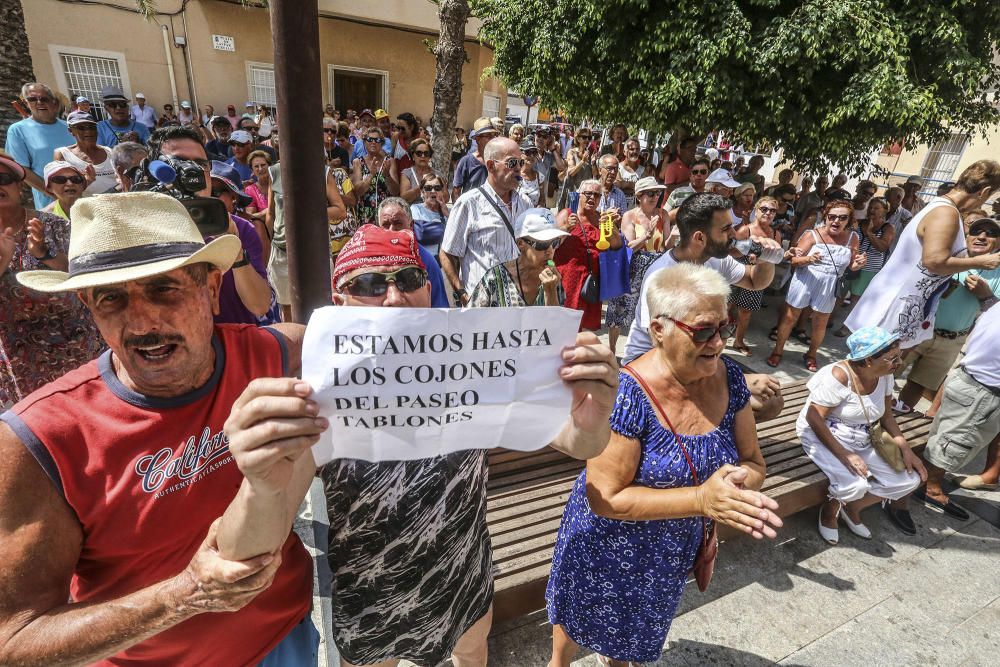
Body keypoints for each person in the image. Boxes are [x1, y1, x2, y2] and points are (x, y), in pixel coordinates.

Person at [207, 221, 618, 667]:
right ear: (340, 300)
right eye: (368, 284)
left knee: (472, 654)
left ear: (426, 288)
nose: (395, 298)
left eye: (407, 279)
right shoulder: (322, 391)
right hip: (370, 588)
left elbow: (579, 445)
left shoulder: (471, 365)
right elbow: (257, 540)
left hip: (462, 571)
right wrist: (259, 479)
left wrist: (593, 413)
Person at [0, 191, 321, 664]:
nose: (143, 322)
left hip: (283, 639)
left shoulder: (275, 355)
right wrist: (187, 593)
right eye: (112, 299)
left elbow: (394, 359)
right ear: (89, 307)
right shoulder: (42, 438)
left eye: (163, 289)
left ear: (211, 291)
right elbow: (15, 641)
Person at [546, 263, 782, 666]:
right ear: (659, 329)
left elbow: (753, 461)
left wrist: (738, 486)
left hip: (669, 552)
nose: (719, 342)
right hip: (607, 545)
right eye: (704, 331)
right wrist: (704, 499)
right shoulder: (629, 393)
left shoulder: (732, 380)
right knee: (575, 623)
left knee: (633, 638)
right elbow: (607, 498)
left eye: (723, 328)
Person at [623, 193, 785, 421]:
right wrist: (734, 380)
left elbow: (754, 281)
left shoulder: (715, 258)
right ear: (699, 238)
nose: (734, 234)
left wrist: (767, 258)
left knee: (770, 399)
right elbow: (666, 350)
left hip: (696, 353)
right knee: (747, 396)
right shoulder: (661, 276)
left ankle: (713, 430)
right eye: (726, 229)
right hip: (654, 362)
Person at [845, 161, 1000, 347]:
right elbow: (934, 261)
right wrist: (981, 262)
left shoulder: (942, 207)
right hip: (894, 311)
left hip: (900, 307)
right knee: (868, 369)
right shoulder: (946, 213)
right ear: (984, 192)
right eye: (990, 196)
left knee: (874, 371)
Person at [799, 327, 925, 542]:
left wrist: (905, 449)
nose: (899, 363)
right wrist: (845, 455)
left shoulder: (883, 375)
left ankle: (851, 507)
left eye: (899, 357)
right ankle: (830, 510)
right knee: (856, 484)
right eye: (891, 359)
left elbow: (886, 416)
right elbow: (814, 418)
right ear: (867, 360)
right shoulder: (839, 376)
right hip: (823, 434)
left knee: (909, 479)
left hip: (862, 435)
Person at [0, 153, 102, 407]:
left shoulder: (54, 225)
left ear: (20, 187)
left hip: (73, 349)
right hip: (14, 365)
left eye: (4, 179)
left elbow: (86, 277)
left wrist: (45, 254)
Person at [895, 216, 1000, 414]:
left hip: (952, 340)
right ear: (967, 236)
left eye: (991, 234)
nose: (982, 237)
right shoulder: (948, 256)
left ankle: (896, 416)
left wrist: (986, 296)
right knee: (887, 374)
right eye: (977, 231)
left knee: (919, 383)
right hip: (917, 329)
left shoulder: (998, 272)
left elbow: (996, 314)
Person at [920, 303, 1000, 517]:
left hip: (966, 377)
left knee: (944, 436)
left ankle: (924, 480)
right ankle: (930, 489)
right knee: (954, 442)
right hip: (983, 392)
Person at [769, 201, 865, 371]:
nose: (836, 221)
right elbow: (793, 260)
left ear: (848, 220)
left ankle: (811, 354)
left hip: (830, 284)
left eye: (842, 218)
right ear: (825, 216)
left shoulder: (853, 238)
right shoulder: (812, 235)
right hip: (806, 279)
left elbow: (851, 264)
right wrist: (808, 259)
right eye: (832, 217)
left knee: (820, 323)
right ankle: (777, 351)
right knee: (790, 317)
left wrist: (856, 265)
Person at [441, 137, 531, 304]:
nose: (519, 168)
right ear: (491, 166)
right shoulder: (468, 203)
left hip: (518, 302)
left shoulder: (525, 202)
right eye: (512, 163)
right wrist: (462, 294)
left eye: (521, 162)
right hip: (482, 304)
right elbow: (447, 253)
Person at [207, 160, 275, 324]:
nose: (208, 198)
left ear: (233, 197)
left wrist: (235, 250)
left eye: (215, 192)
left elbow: (260, 304)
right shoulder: (182, 227)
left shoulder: (247, 229)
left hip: (240, 328)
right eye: (203, 191)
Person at [553, 180, 624, 331]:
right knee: (567, 323)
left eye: (597, 195)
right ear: (579, 195)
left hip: (592, 280)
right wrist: (566, 228)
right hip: (569, 279)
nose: (592, 198)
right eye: (588, 194)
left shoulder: (601, 218)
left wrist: (611, 227)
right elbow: (551, 245)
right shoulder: (567, 214)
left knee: (586, 325)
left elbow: (617, 245)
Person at [609, 176, 668, 343]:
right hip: (633, 269)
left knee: (652, 313)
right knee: (620, 311)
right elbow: (629, 247)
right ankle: (613, 350)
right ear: (639, 196)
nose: (656, 197)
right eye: (651, 193)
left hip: (655, 270)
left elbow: (666, 245)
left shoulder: (663, 215)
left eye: (658, 193)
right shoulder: (629, 216)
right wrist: (647, 235)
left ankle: (646, 350)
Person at [469, 207, 565, 307]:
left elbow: (557, 321)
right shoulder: (494, 279)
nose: (550, 251)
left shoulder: (554, 280)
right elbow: (472, 319)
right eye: (542, 244)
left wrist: (550, 292)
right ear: (520, 244)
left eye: (555, 243)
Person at [731, 196, 787, 356]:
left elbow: (774, 257)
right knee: (726, 306)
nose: (768, 213)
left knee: (746, 310)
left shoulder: (776, 234)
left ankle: (739, 341)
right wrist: (748, 251)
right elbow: (731, 252)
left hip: (758, 274)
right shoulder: (745, 230)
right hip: (737, 269)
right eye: (764, 209)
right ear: (756, 211)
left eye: (772, 210)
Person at [5, 83, 74, 210]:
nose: (39, 102)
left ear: (54, 102)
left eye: (44, 99)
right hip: (50, 201)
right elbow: (21, 168)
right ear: (26, 103)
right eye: (32, 99)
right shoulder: (18, 130)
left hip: (81, 195)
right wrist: (53, 192)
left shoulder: (69, 127)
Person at [833, 198, 894, 336]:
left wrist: (869, 233)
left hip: (869, 269)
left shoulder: (888, 228)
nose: (872, 210)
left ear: (884, 211)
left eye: (876, 208)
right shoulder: (859, 223)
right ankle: (829, 320)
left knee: (856, 299)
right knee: (839, 294)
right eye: (871, 207)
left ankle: (847, 327)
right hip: (851, 265)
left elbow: (882, 247)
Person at [375, 197, 449, 307]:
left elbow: (439, 307)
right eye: (385, 224)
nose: (391, 230)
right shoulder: (369, 259)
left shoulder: (426, 260)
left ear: (411, 225)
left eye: (398, 223)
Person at [53, 110, 116, 196]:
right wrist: (87, 181)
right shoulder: (63, 154)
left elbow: (122, 179)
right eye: (81, 128)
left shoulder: (108, 151)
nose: (88, 131)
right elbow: (62, 190)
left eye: (92, 127)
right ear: (71, 131)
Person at [351, 126, 399, 226]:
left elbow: (395, 191)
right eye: (369, 139)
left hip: (386, 215)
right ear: (364, 142)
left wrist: (387, 176)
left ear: (381, 143)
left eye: (377, 140)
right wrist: (371, 175)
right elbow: (358, 191)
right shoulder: (358, 162)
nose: (373, 142)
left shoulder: (389, 161)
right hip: (366, 215)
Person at [451, 117, 498, 199]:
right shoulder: (466, 161)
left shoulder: (498, 161)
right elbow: (456, 191)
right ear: (477, 139)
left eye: (494, 136)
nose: (492, 139)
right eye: (488, 136)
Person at [411, 172, 449, 258]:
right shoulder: (415, 209)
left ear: (442, 191)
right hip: (422, 261)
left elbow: (457, 236)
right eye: (428, 188)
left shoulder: (449, 213)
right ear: (422, 192)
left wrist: (447, 214)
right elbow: (421, 234)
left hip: (443, 264)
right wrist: (444, 229)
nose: (433, 191)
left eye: (437, 188)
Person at [243, 150, 273, 256]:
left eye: (263, 165)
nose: (260, 169)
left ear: (270, 166)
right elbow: (251, 218)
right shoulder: (250, 190)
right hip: (264, 240)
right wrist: (270, 211)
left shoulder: (278, 185)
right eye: (256, 166)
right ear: (252, 170)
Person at [559, 127, 595, 208]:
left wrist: (593, 163)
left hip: (587, 193)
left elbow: (595, 175)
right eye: (584, 137)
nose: (587, 140)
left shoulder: (591, 154)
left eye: (589, 138)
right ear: (578, 139)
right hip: (574, 193)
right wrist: (582, 161)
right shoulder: (572, 152)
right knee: (572, 216)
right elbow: (570, 172)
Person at [399, 138, 437, 203]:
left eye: (426, 153)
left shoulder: (437, 174)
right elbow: (404, 199)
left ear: (429, 156)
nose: (423, 156)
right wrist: (422, 186)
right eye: (419, 153)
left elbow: (446, 198)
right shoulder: (407, 173)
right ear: (413, 156)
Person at [615, 137, 644, 209]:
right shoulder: (617, 167)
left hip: (636, 210)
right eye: (631, 149)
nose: (635, 152)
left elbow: (644, 190)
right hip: (618, 208)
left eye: (637, 149)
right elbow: (617, 186)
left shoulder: (643, 170)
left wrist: (625, 184)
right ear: (624, 152)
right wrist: (637, 186)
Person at [517, 138, 547, 207]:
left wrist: (540, 206)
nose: (532, 156)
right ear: (520, 154)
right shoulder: (514, 175)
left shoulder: (540, 177)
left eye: (534, 152)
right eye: (528, 152)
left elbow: (542, 198)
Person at [885, 185, 914, 252]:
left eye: (888, 196)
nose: (886, 198)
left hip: (892, 250)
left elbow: (909, 235)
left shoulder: (906, 215)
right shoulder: (882, 209)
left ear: (899, 197)